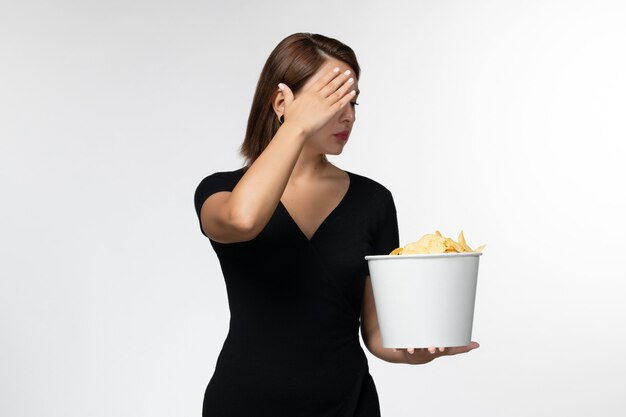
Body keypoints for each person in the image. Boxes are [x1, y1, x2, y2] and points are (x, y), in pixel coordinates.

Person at [194, 32, 479, 417]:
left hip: (348, 405)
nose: (349, 115)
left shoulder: (373, 201)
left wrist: (419, 351)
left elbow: (377, 333)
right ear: (282, 102)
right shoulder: (220, 191)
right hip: (245, 403)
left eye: (353, 101)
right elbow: (243, 221)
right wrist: (295, 128)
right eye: (331, 100)